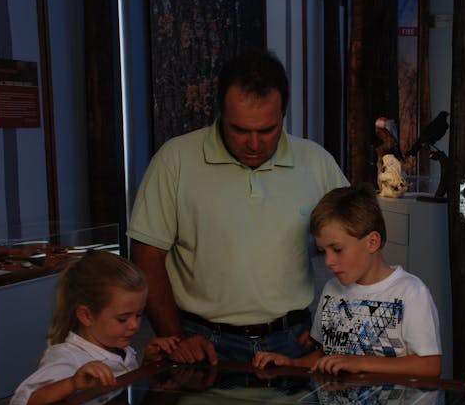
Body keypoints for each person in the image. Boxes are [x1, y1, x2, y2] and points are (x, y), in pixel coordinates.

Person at [128, 48, 348, 366]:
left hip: (294, 340)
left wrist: (335, 326)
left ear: (283, 115)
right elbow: (147, 255)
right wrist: (178, 339)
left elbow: (358, 247)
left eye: (267, 130)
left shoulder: (316, 162)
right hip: (202, 342)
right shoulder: (174, 159)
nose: (254, 143)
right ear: (220, 113)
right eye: (240, 130)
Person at [253, 184, 441, 377]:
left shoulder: (410, 292)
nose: (328, 261)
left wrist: (362, 363)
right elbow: (325, 357)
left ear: (372, 242)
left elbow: (429, 366)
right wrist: (292, 363)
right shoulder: (331, 290)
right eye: (323, 251)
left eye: (337, 249)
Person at [9, 250, 180, 405]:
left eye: (138, 314)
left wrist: (148, 364)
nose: (134, 325)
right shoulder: (66, 356)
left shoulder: (120, 348)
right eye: (122, 319)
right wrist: (72, 383)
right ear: (86, 316)